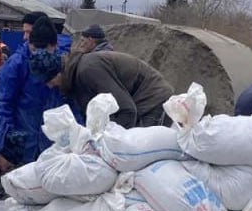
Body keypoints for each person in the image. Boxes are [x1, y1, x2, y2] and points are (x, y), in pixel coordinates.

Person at [28, 17, 173, 128]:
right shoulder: (75, 76)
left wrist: (107, 143)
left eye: (50, 82)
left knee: (139, 151)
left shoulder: (89, 69)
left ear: (58, 73)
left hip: (153, 99)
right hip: (138, 102)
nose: (50, 86)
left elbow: (126, 110)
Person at [0, 14, 73, 164]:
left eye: (45, 49)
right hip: (25, 143)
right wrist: (2, 145)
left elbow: (74, 105)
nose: (39, 53)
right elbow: (2, 106)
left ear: (54, 45)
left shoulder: (66, 64)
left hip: (57, 145)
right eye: (35, 48)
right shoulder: (15, 66)